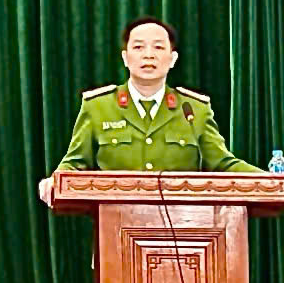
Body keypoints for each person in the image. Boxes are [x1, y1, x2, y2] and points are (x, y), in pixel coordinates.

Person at [38, 16, 262, 206]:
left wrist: (269, 180)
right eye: (138, 47)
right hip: (115, 227)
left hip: (184, 231)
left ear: (172, 59)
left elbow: (223, 164)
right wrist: (56, 180)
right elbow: (75, 163)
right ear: (125, 58)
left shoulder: (194, 110)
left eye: (158, 47)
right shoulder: (98, 107)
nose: (148, 55)